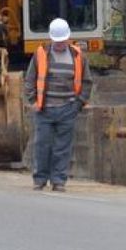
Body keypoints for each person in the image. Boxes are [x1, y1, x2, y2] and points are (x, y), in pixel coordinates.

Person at [23, 18, 92, 191]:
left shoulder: (78, 56)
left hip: (68, 109)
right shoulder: (41, 54)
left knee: (63, 147)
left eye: (62, 41)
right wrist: (33, 100)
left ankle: (58, 181)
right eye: (57, 41)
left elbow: (87, 82)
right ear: (51, 38)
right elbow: (30, 80)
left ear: (68, 38)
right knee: (42, 146)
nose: (60, 44)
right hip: (44, 109)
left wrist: (78, 104)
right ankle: (40, 179)